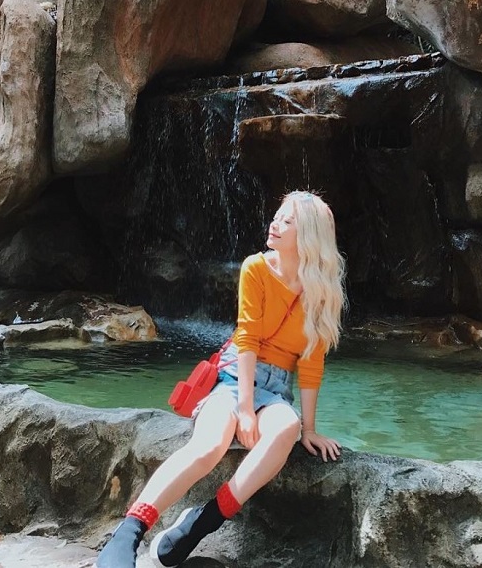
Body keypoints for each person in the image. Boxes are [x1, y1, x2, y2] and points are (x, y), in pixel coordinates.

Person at [96, 190, 347, 568]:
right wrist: (244, 408)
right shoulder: (256, 268)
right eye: (276, 216)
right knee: (209, 445)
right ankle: (128, 533)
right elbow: (247, 339)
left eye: (287, 221)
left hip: (276, 389)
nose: (274, 223)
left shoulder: (321, 292)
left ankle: (203, 522)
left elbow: (311, 364)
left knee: (288, 427)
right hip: (234, 376)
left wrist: (310, 429)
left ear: (309, 236)